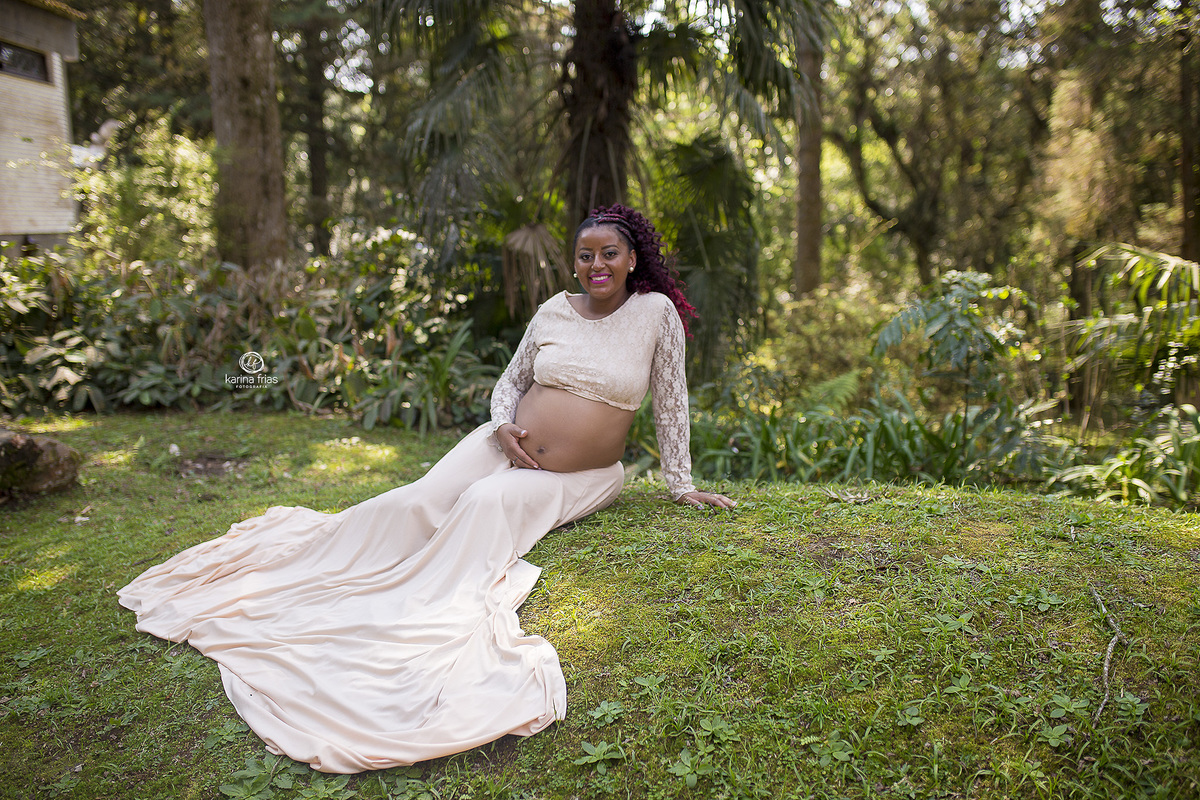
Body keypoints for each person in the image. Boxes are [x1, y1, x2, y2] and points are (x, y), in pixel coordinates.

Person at [118, 204, 735, 774]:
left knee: (484, 504)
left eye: (609, 254)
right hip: (503, 443)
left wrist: (680, 484)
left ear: (632, 259)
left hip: (579, 475)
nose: (596, 265)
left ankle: (388, 626)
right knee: (412, 502)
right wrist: (502, 428)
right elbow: (509, 383)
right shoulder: (553, 308)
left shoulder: (655, 315)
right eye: (585, 255)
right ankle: (297, 569)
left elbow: (672, 403)